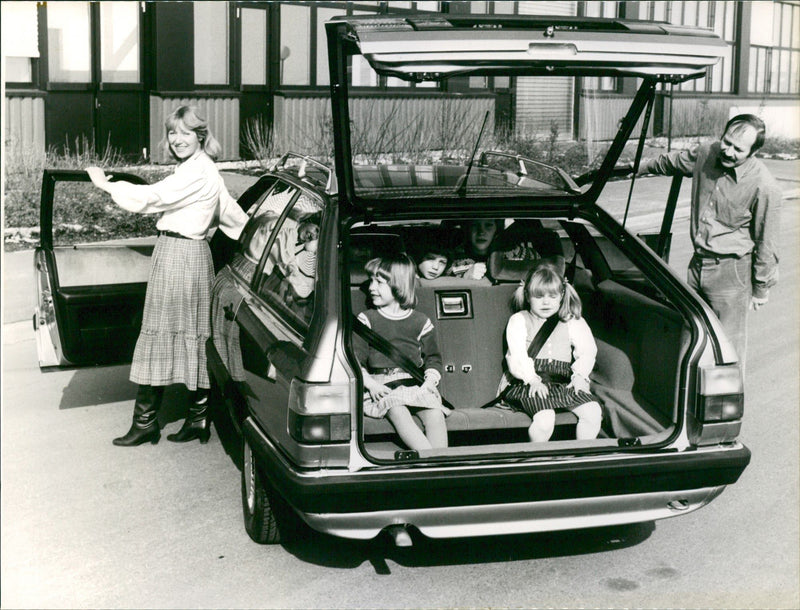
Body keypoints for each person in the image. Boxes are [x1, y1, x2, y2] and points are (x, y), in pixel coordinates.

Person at [86, 105, 248, 447]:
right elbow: (231, 214)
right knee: (192, 333)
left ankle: (146, 423)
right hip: (189, 255)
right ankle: (197, 418)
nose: (177, 140)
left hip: (180, 255)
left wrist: (104, 185)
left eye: (186, 133)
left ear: (200, 136)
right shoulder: (203, 170)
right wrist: (260, 235)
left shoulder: (196, 172)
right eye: (173, 132)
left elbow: (154, 197)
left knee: (162, 332)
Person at [637, 114, 781, 371]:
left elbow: (766, 241)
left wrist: (761, 287)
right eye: (727, 142)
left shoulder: (764, 185)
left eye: (738, 149)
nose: (728, 151)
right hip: (697, 265)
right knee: (691, 337)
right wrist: (634, 166)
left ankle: (728, 409)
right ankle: (685, 402)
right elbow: (672, 161)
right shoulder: (707, 153)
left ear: (753, 152)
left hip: (731, 273)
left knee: (728, 350)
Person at [499, 262, 603, 442]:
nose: (546, 302)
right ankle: (538, 460)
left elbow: (587, 351)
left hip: (562, 384)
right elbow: (516, 354)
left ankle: (581, 456)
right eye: (539, 296)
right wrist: (532, 379)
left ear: (562, 295)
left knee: (593, 412)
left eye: (552, 296)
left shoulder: (571, 321)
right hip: (528, 383)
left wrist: (579, 376)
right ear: (528, 296)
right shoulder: (519, 320)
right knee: (545, 419)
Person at [355, 254, 450, 450]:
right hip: (381, 386)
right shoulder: (367, 319)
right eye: (371, 281)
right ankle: (430, 462)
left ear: (399, 285)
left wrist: (430, 382)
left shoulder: (420, 321)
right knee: (397, 410)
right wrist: (370, 384)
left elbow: (433, 358)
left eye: (378, 282)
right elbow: (356, 360)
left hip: (414, 384)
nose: (371, 287)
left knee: (435, 413)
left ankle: (440, 463)